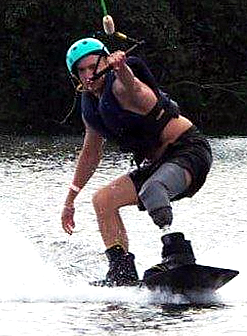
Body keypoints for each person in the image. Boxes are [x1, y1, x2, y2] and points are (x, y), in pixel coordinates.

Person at [60, 37, 213, 286]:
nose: (88, 74)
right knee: (103, 200)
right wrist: (70, 200)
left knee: (153, 189)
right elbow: (90, 154)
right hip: (157, 165)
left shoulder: (122, 86)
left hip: (189, 152)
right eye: (81, 70)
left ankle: (179, 255)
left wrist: (122, 69)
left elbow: (134, 88)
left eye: (93, 67)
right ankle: (121, 272)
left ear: (106, 62)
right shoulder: (91, 106)